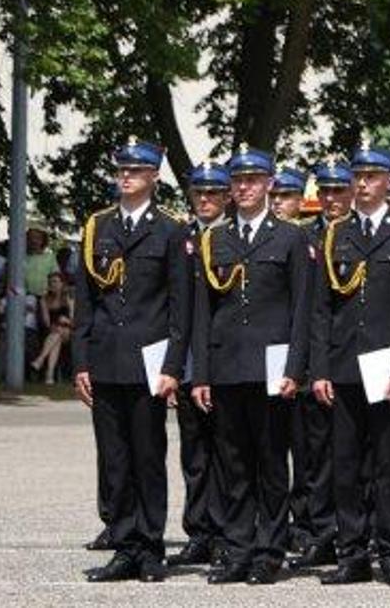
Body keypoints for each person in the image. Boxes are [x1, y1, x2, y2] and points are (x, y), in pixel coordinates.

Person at [189, 149, 316, 585]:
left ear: (268, 184)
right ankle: (238, 548)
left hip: (273, 366)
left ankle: (269, 550)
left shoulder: (291, 238)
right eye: (238, 181)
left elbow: (303, 309)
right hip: (227, 364)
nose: (244, 187)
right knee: (232, 464)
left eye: (253, 180)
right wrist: (201, 373)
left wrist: (295, 369)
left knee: (271, 463)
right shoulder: (215, 240)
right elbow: (203, 314)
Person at [308, 143, 390, 587]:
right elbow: (322, 309)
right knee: (345, 464)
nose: (362, 184)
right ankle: (352, 553)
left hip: (387, 366)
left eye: (372, 177)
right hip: (343, 365)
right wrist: (319, 368)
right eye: (357, 176)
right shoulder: (335, 234)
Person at [72, 137, 193, 583]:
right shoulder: (97, 227)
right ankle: (124, 543)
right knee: (115, 456)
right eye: (122, 169)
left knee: (148, 454)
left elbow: (180, 306)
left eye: (136, 170)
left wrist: (173, 367)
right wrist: (81, 361)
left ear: (154, 177)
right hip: (106, 355)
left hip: (150, 358)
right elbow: (84, 302)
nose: (126, 176)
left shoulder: (170, 229)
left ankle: (150, 546)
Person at [287, 158, 355, 568]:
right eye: (324, 191)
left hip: (350, 361)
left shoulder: (356, 235)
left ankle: (348, 530)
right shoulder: (304, 237)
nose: (331, 199)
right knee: (311, 454)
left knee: (350, 454)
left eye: (338, 190)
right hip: (313, 361)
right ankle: (316, 526)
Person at [171, 162, 231, 570]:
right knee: (194, 453)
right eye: (199, 194)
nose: (205, 200)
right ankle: (199, 530)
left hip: (227, 359)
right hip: (189, 357)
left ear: (226, 196)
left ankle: (229, 532)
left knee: (230, 452)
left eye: (213, 194)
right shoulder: (182, 237)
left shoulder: (234, 236)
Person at [30, 272, 75, 383]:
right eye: (50, 283)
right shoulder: (44, 299)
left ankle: (40, 360)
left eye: (55, 282)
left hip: (69, 331)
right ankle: (49, 375)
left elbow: (75, 322)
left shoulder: (68, 298)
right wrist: (53, 326)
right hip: (53, 331)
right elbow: (47, 323)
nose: (53, 285)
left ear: (62, 284)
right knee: (57, 337)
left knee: (59, 333)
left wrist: (66, 321)